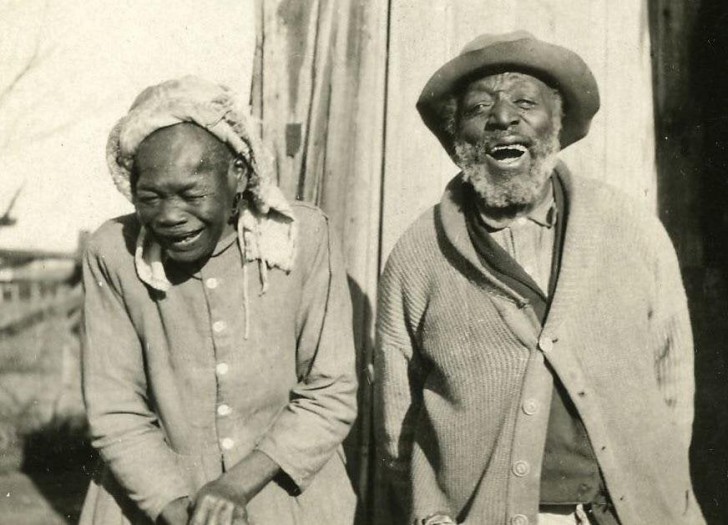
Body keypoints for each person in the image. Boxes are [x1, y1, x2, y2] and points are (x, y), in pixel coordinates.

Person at [374, 32, 704, 525]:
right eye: (479, 107)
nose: (502, 118)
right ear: (457, 137)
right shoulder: (418, 256)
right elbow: (396, 422)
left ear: (558, 122)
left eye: (525, 102)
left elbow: (673, 384)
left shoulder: (630, 228)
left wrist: (659, 489)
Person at [79, 76, 357, 525]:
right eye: (150, 197)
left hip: (286, 493)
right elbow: (115, 409)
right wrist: (175, 508)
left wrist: (235, 486)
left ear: (239, 175)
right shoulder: (111, 252)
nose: (170, 216)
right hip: (152, 498)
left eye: (193, 194)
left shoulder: (301, 237)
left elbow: (330, 391)